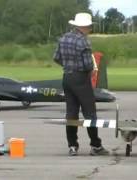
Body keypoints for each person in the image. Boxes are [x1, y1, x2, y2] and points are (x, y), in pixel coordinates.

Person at [53, 13, 109, 156]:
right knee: (90, 112)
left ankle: (72, 146)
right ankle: (95, 145)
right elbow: (88, 64)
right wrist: (88, 72)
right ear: (84, 27)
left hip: (67, 77)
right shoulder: (83, 41)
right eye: (89, 26)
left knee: (71, 113)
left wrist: (67, 65)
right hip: (81, 78)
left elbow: (56, 58)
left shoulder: (63, 38)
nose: (90, 29)